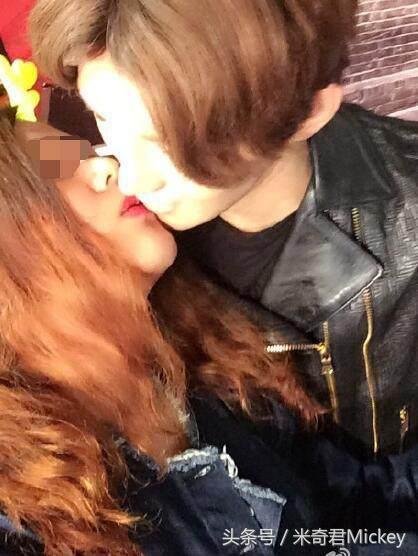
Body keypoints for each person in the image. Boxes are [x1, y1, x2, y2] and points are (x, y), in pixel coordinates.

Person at [29, 0, 418, 461]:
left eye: (172, 144)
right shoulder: (128, 237)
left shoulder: (406, 228)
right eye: (104, 119)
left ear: (309, 112)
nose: (130, 177)